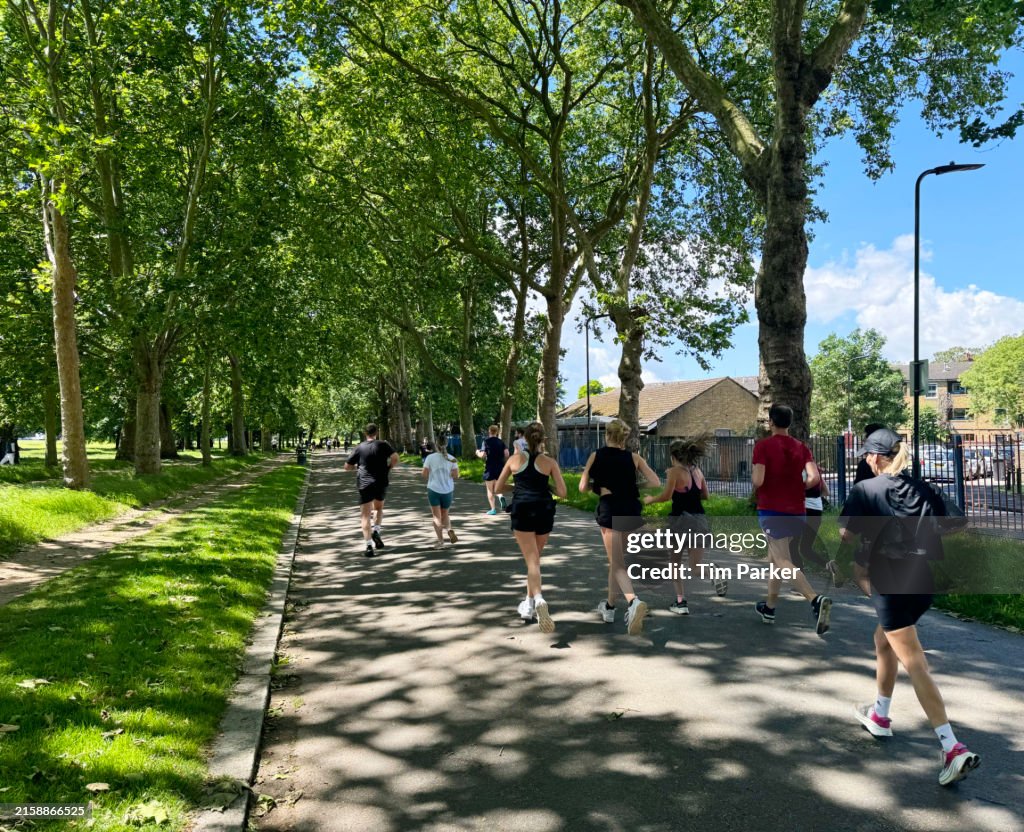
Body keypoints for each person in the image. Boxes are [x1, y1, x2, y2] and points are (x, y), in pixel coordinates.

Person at [840, 428, 980, 786]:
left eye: (866, 455)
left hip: (890, 579)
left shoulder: (866, 489)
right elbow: (956, 521)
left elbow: (846, 534)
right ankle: (880, 715)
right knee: (883, 641)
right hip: (921, 578)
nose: (865, 459)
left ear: (875, 457)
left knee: (914, 661)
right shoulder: (921, 487)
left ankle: (951, 747)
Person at [751, 404, 832, 635]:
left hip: (772, 509)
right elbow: (814, 477)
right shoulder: (801, 447)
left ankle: (815, 600)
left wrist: (761, 480)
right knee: (775, 561)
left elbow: (758, 480)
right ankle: (769, 608)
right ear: (790, 422)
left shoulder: (763, 446)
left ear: (771, 422)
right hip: (797, 510)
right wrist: (796, 487)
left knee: (783, 560)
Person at [579, 419, 661, 635]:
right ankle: (609, 607)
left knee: (617, 564)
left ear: (607, 435)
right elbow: (655, 482)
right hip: (631, 510)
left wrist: (597, 487)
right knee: (617, 562)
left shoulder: (596, 456)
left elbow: (582, 487)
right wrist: (634, 486)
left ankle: (634, 602)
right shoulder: (634, 458)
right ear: (624, 437)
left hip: (610, 510)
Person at [495, 421, 567, 633]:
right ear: (543, 439)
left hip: (522, 510)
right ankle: (528, 605)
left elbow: (498, 488)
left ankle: (539, 599)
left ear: (524, 438)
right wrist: (546, 486)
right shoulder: (549, 462)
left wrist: (516, 486)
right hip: (544, 510)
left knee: (532, 561)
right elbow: (563, 493)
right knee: (534, 561)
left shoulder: (514, 460)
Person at [644, 436, 727, 614]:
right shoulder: (697, 472)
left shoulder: (674, 472)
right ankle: (713, 572)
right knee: (696, 567)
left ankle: (681, 603)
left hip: (680, 522)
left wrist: (651, 499)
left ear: (673, 456)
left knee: (675, 563)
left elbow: (666, 496)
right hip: (699, 521)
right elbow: (706, 496)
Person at [344, 423, 399, 557]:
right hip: (381, 482)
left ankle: (369, 546)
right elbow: (395, 457)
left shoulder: (359, 447)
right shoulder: (383, 444)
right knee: (378, 508)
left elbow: (347, 467)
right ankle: (376, 531)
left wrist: (356, 467)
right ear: (377, 433)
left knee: (365, 515)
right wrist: (389, 467)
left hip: (365, 484)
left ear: (365, 433)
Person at [789, 454, 839, 580]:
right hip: (816, 512)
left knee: (792, 546)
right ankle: (831, 567)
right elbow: (826, 492)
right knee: (805, 549)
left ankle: (800, 581)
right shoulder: (815, 473)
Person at [421, 435, 460, 549]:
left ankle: (440, 541)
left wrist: (431, 472)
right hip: (447, 490)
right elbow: (456, 475)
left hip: (434, 490)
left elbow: (424, 474)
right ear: (447, 444)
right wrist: (448, 473)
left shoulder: (430, 458)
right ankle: (449, 529)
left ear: (436, 444)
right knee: (445, 514)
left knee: (437, 517)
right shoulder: (452, 458)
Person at [476, 425, 509, 515]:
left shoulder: (486, 442)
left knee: (490, 490)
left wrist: (477, 452)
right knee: (497, 487)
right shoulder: (501, 442)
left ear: (489, 431)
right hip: (500, 468)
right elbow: (507, 454)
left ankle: (493, 509)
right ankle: (501, 496)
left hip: (490, 468)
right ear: (497, 432)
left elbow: (483, 455)